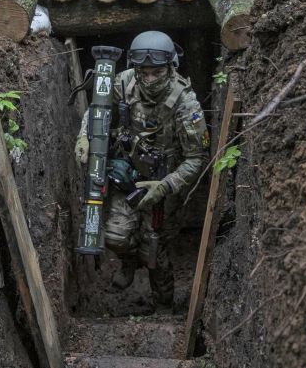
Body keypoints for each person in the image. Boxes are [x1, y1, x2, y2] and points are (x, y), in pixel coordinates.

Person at [74, 31, 210, 311]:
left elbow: (197, 158)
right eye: (143, 72)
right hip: (127, 175)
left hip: (165, 184)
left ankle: (163, 305)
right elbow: (97, 108)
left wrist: (165, 186)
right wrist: (85, 136)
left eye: (157, 72)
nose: (149, 79)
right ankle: (128, 263)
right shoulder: (124, 82)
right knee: (116, 236)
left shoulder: (186, 104)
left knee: (154, 250)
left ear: (170, 67)